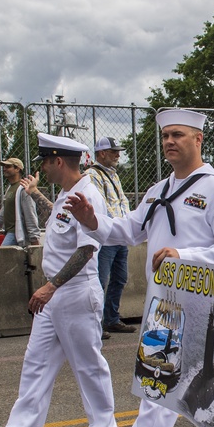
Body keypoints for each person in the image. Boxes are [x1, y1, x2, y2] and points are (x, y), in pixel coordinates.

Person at [65, 109, 214, 427]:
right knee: (203, 385)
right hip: (165, 304)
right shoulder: (157, 190)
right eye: (166, 135)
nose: (170, 141)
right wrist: (91, 220)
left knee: (158, 392)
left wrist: (182, 254)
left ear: (198, 139)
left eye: (179, 135)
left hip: (200, 305)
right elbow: (127, 231)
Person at [0, 135, 120, 427]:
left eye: (44, 161)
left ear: (58, 161)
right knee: (36, 362)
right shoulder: (66, 193)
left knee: (87, 363)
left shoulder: (87, 194)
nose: (41, 166)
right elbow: (58, 220)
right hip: (55, 296)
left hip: (75, 292)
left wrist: (52, 285)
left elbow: (87, 250)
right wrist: (36, 194)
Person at [86, 137, 135, 339]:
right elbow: (101, 205)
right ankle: (95, 324)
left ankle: (111, 319)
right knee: (100, 281)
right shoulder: (92, 175)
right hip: (107, 236)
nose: (118, 155)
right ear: (101, 153)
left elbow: (121, 202)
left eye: (117, 151)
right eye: (113, 151)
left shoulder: (113, 174)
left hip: (119, 235)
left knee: (119, 278)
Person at [0, 157, 41, 247]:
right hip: (11, 233)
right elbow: (3, 214)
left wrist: (34, 240)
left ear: (17, 169)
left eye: (8, 166)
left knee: (2, 258)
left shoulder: (23, 188)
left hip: (17, 233)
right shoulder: (10, 188)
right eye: (4, 166)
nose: (4, 169)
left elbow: (30, 214)